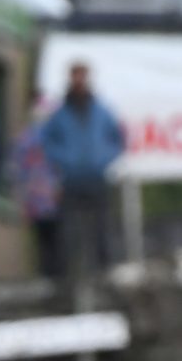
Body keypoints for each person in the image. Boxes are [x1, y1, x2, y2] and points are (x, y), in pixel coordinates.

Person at [41, 64, 124, 280]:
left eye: (82, 76)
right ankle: (66, 278)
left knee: (101, 230)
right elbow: (47, 142)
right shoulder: (60, 114)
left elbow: (118, 139)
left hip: (96, 178)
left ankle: (104, 275)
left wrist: (102, 160)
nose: (79, 80)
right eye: (75, 76)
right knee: (67, 232)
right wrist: (64, 160)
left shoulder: (101, 111)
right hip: (71, 179)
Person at [9, 93, 60, 279]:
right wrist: (22, 201)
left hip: (55, 201)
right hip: (38, 203)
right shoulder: (25, 140)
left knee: (56, 245)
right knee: (45, 246)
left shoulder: (57, 138)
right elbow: (18, 172)